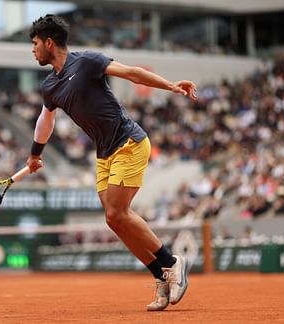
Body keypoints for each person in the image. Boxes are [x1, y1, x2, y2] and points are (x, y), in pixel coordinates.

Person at [26, 15, 197, 311]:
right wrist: (35, 153)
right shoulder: (49, 86)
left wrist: (170, 86)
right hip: (104, 153)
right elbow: (45, 120)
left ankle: (173, 263)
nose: (33, 50)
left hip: (129, 142)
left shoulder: (88, 61)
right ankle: (160, 276)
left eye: (35, 43)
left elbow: (131, 73)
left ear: (49, 42)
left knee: (118, 211)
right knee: (113, 219)